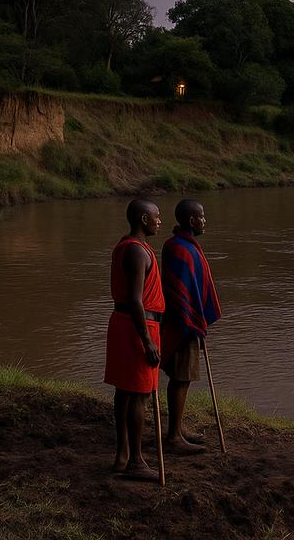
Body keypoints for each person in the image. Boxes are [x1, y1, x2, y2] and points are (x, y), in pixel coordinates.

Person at [103, 198, 164, 479]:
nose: (159, 221)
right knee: (139, 393)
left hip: (123, 323)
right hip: (137, 326)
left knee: (124, 392)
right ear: (143, 220)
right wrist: (147, 341)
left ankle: (122, 456)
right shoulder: (138, 252)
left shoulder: (125, 244)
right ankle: (137, 461)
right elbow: (137, 300)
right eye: (155, 217)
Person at [160, 199, 222, 452]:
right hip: (181, 323)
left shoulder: (186, 246)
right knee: (181, 376)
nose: (204, 221)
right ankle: (174, 436)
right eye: (201, 216)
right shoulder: (179, 248)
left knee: (183, 378)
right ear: (191, 220)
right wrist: (192, 319)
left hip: (187, 321)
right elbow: (179, 291)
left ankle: (178, 427)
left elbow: (194, 288)